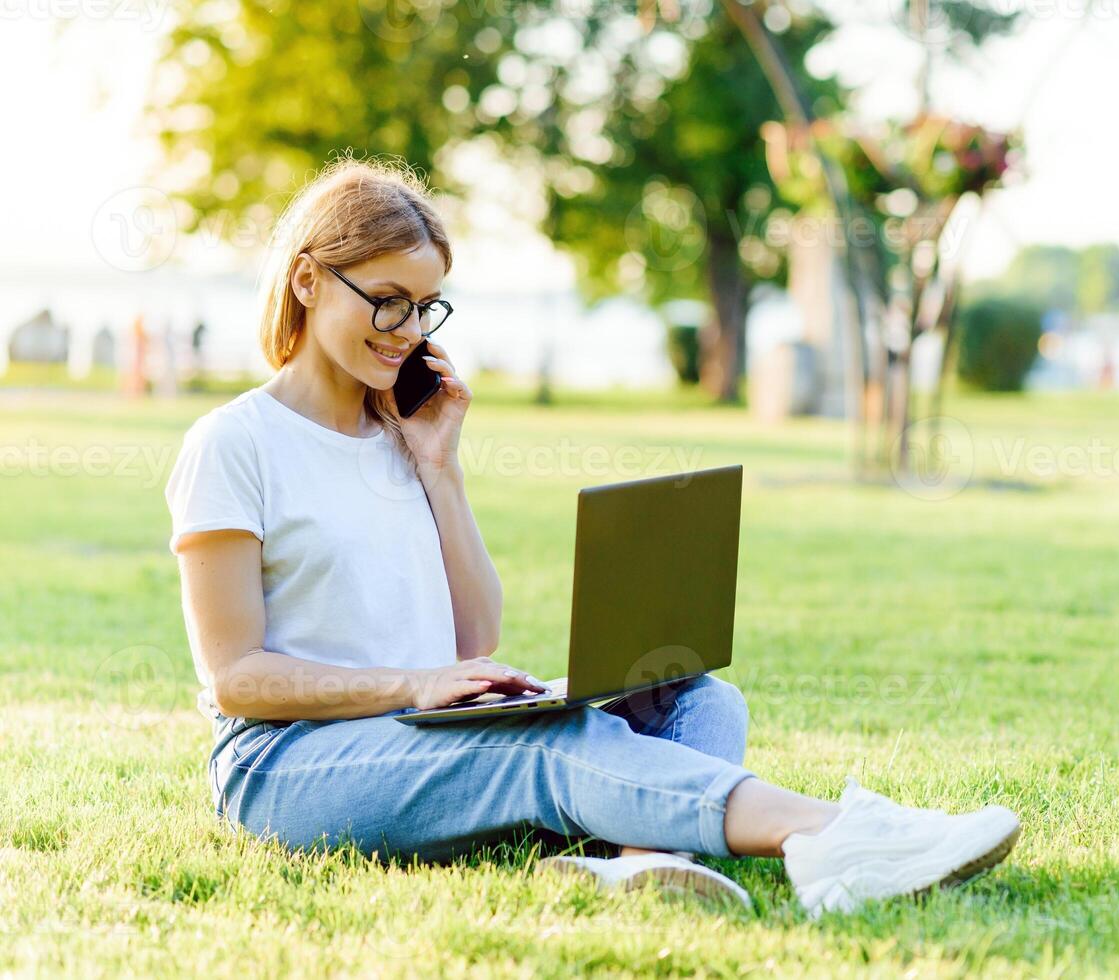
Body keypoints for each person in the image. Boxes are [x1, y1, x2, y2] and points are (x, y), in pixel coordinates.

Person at [163, 158, 1020, 919]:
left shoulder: (404, 438)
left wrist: (439, 468)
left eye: (425, 307)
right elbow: (236, 681)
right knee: (546, 745)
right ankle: (834, 835)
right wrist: (413, 684)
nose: (409, 332)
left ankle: (642, 864)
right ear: (309, 281)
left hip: (418, 735)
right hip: (286, 766)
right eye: (386, 302)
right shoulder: (235, 444)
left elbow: (474, 639)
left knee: (698, 697)